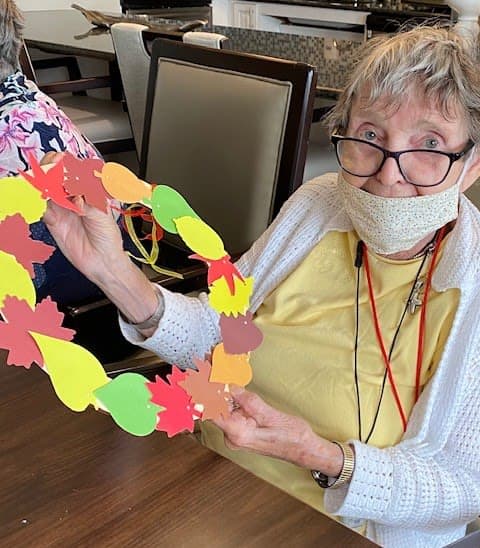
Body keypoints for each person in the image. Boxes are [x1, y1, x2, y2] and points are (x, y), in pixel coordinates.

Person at [43, 24, 480, 547]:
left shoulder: (469, 286)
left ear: (472, 163)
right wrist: (110, 270)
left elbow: (466, 482)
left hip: (329, 527)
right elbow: (214, 336)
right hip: (209, 477)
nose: (389, 175)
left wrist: (322, 456)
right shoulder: (319, 205)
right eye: (369, 135)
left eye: (428, 144)